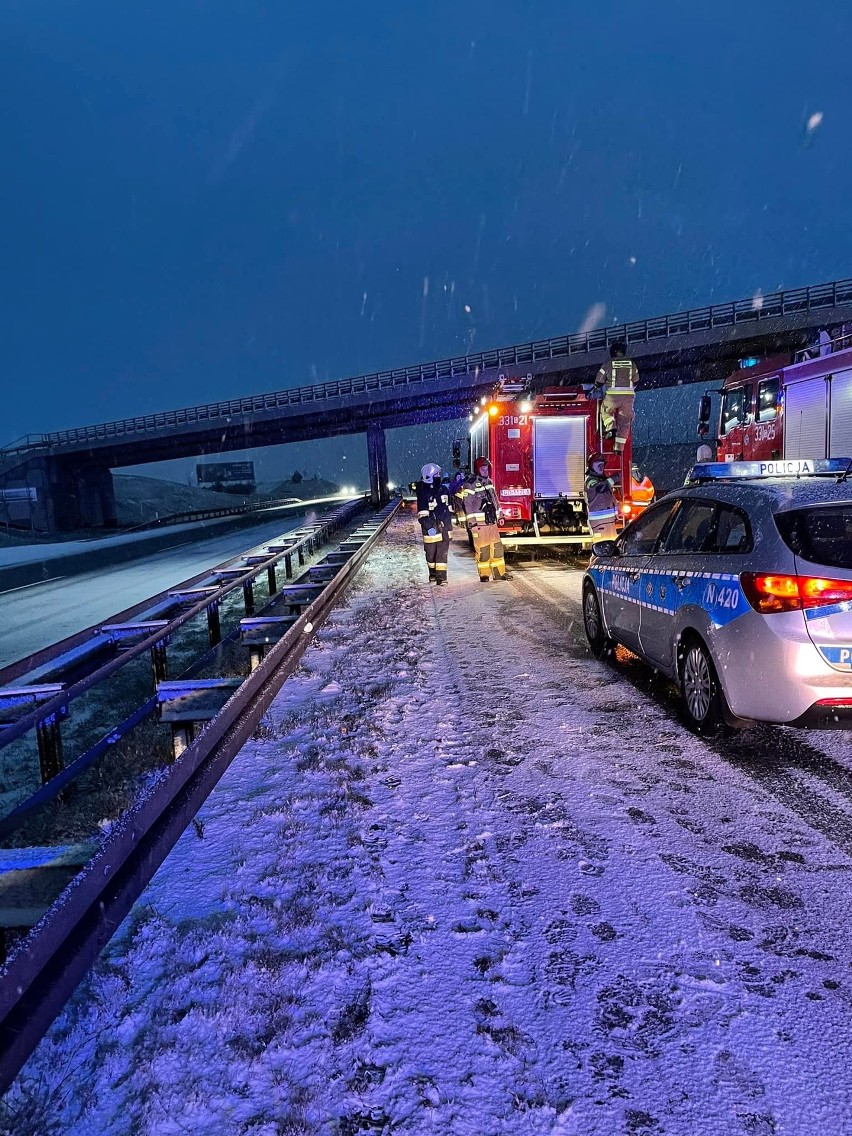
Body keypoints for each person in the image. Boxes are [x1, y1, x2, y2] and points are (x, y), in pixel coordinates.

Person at [462, 457, 508, 582]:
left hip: (492, 522)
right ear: (478, 469)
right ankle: (484, 575)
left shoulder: (489, 482)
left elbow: (495, 501)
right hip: (479, 525)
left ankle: (499, 573)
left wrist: (500, 516)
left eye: (486, 468)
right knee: (483, 550)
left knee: (497, 549)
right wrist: (472, 523)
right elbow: (468, 505)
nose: (485, 470)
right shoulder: (469, 484)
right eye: (483, 468)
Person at [594, 341, 638, 453]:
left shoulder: (608, 364)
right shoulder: (631, 363)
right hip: (628, 397)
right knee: (624, 421)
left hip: (613, 396)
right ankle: (619, 448)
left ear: (612, 352)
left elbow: (599, 380)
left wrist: (596, 386)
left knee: (606, 411)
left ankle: (611, 428)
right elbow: (636, 379)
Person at [415, 463, 452, 585]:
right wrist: (430, 527)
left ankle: (441, 577)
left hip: (444, 529)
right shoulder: (423, 493)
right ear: (429, 476)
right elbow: (422, 515)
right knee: (431, 555)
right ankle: (432, 573)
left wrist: (448, 527)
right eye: (437, 474)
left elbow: (448, 510)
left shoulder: (444, 490)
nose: (439, 476)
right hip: (430, 529)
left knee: (442, 554)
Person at [585, 452, 617, 542]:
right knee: (601, 549)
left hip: (608, 523)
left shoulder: (602, 479)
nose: (601, 468)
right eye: (598, 465)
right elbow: (600, 488)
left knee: (610, 549)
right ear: (592, 466)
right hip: (599, 524)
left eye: (602, 465)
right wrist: (613, 479)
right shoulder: (590, 480)